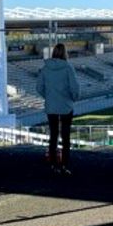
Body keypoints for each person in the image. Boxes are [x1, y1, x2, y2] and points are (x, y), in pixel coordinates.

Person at [36, 43, 80, 174]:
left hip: (51, 106)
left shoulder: (45, 68)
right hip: (66, 106)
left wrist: (48, 97)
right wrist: (73, 98)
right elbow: (75, 88)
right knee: (65, 137)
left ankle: (53, 165)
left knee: (53, 136)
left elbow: (39, 88)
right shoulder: (68, 68)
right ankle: (64, 165)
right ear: (65, 53)